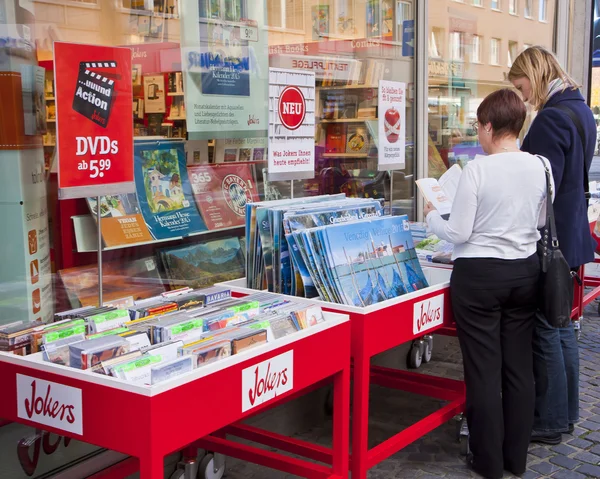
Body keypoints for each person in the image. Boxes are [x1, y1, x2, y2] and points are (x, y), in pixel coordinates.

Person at [424, 89, 551, 479]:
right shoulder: (541, 165)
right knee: (518, 368)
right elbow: (542, 222)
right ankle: (516, 458)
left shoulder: (478, 169)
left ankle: (488, 462)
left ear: (490, 126)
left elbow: (458, 232)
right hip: (524, 273)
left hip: (479, 278)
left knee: (483, 371)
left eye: (478, 126)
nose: (478, 133)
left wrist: (432, 216)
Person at [509, 46, 596, 445]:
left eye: (522, 86)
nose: (522, 96)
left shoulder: (548, 121)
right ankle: (568, 414)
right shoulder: (580, 109)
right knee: (563, 328)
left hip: (550, 243)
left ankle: (549, 420)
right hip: (573, 236)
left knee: (546, 331)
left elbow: (538, 190)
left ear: (535, 74)